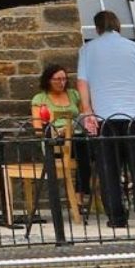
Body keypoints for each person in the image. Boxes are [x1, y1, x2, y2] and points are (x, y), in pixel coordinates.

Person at [74, 10, 135, 226]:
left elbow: (82, 83)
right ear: (118, 25)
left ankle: (116, 216)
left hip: (105, 115)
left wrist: (88, 112)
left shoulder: (88, 50)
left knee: (108, 167)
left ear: (97, 28)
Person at [31, 61, 91, 201]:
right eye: (57, 79)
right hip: (55, 138)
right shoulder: (40, 99)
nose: (61, 83)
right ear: (48, 80)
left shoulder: (73, 95)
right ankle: (80, 196)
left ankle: (80, 194)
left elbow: (83, 116)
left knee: (85, 147)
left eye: (64, 79)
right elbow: (38, 126)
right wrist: (59, 131)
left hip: (76, 135)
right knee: (83, 149)